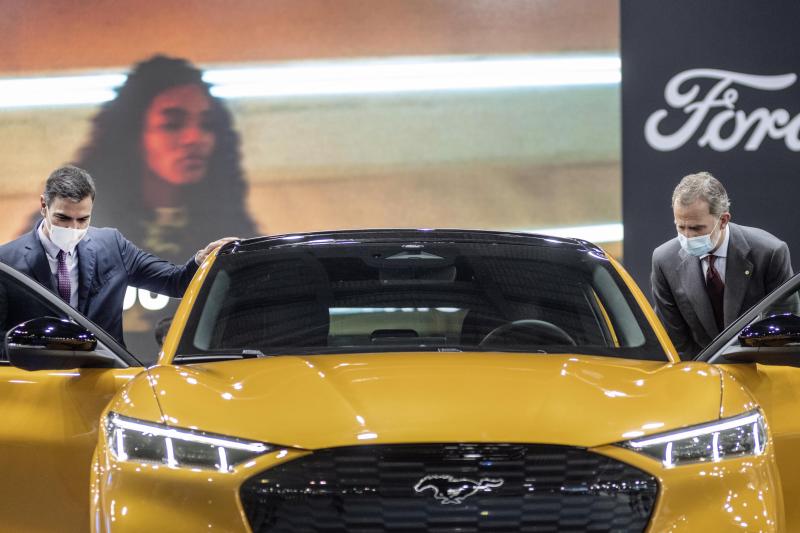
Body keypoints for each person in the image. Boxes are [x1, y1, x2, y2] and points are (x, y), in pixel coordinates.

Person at [0, 165, 236, 346]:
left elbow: (175, 282)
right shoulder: (6, 261)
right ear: (44, 206)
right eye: (63, 218)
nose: (73, 228)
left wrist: (201, 259)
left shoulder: (112, 245)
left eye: (83, 219)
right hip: (38, 382)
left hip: (103, 377)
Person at [71, 54, 257, 264]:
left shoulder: (232, 231)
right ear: (133, 135)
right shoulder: (78, 229)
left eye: (207, 124)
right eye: (172, 125)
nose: (195, 138)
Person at [651, 171, 793, 357]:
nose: (687, 236)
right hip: (698, 368)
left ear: (723, 220)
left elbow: (784, 333)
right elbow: (675, 342)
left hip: (759, 366)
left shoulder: (770, 254)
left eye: (696, 228)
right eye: (680, 226)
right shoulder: (664, 261)